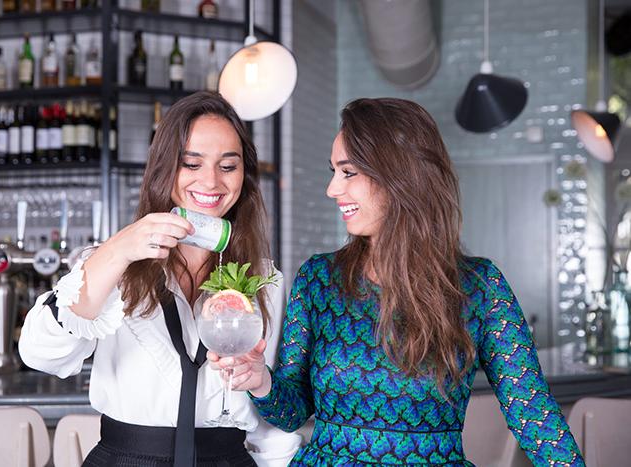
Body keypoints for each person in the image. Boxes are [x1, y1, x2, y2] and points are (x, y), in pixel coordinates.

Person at [210, 97, 584, 466]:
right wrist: (260, 380)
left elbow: (535, 417)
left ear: (400, 175)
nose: (332, 189)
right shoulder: (318, 279)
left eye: (348, 172)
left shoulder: (480, 287)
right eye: (333, 171)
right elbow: (292, 412)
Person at [18, 91, 301, 466]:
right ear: (164, 168)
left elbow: (272, 426)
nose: (211, 181)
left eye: (228, 166)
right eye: (191, 164)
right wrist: (119, 249)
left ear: (244, 176)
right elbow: (40, 354)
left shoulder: (265, 279)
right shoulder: (111, 262)